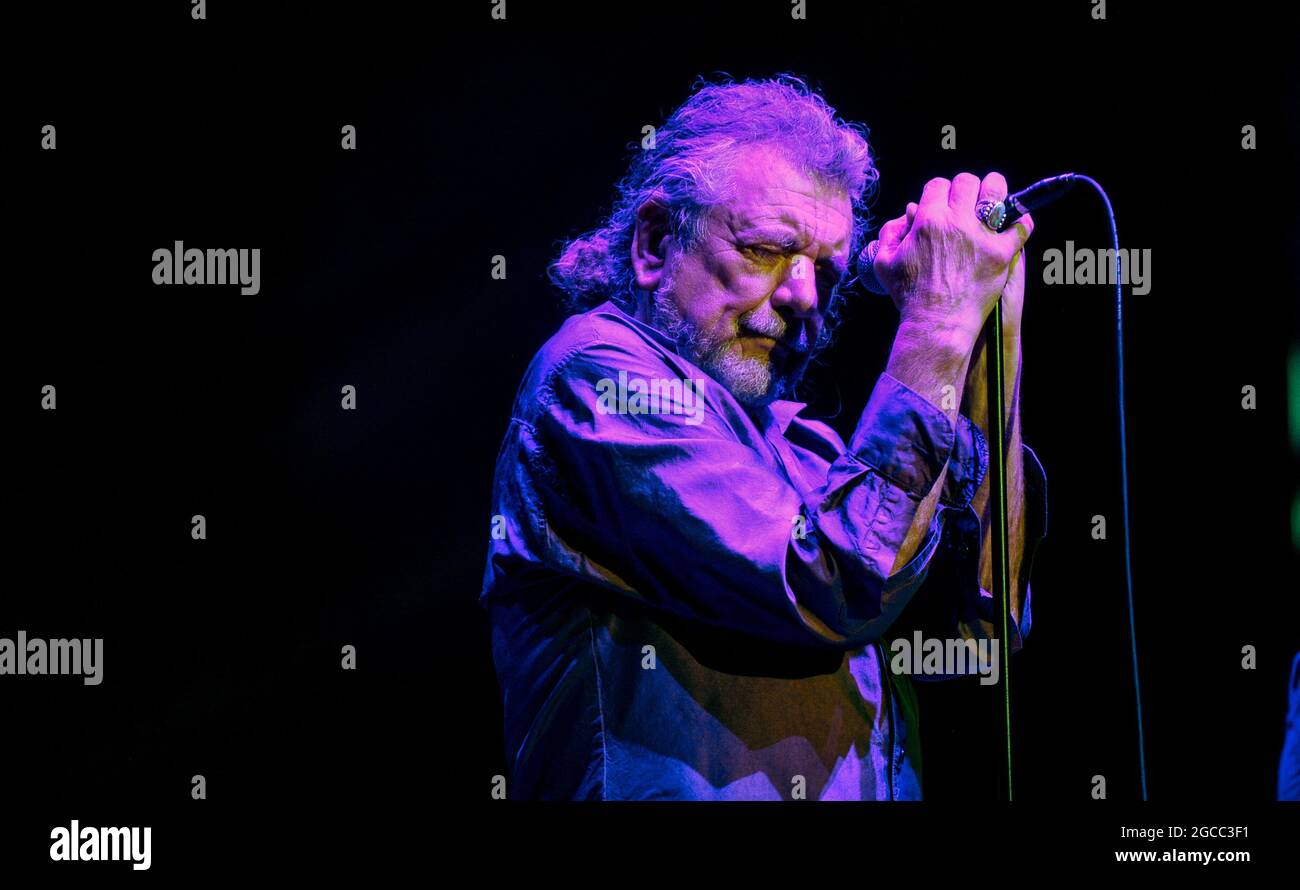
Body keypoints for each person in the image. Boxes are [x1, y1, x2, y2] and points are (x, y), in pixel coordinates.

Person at [480, 75, 1048, 799]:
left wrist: (990, 329)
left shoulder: (802, 448)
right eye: (769, 250)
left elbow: (978, 643)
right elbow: (834, 579)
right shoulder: (594, 378)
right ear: (655, 242)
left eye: (828, 270)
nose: (805, 297)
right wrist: (937, 321)